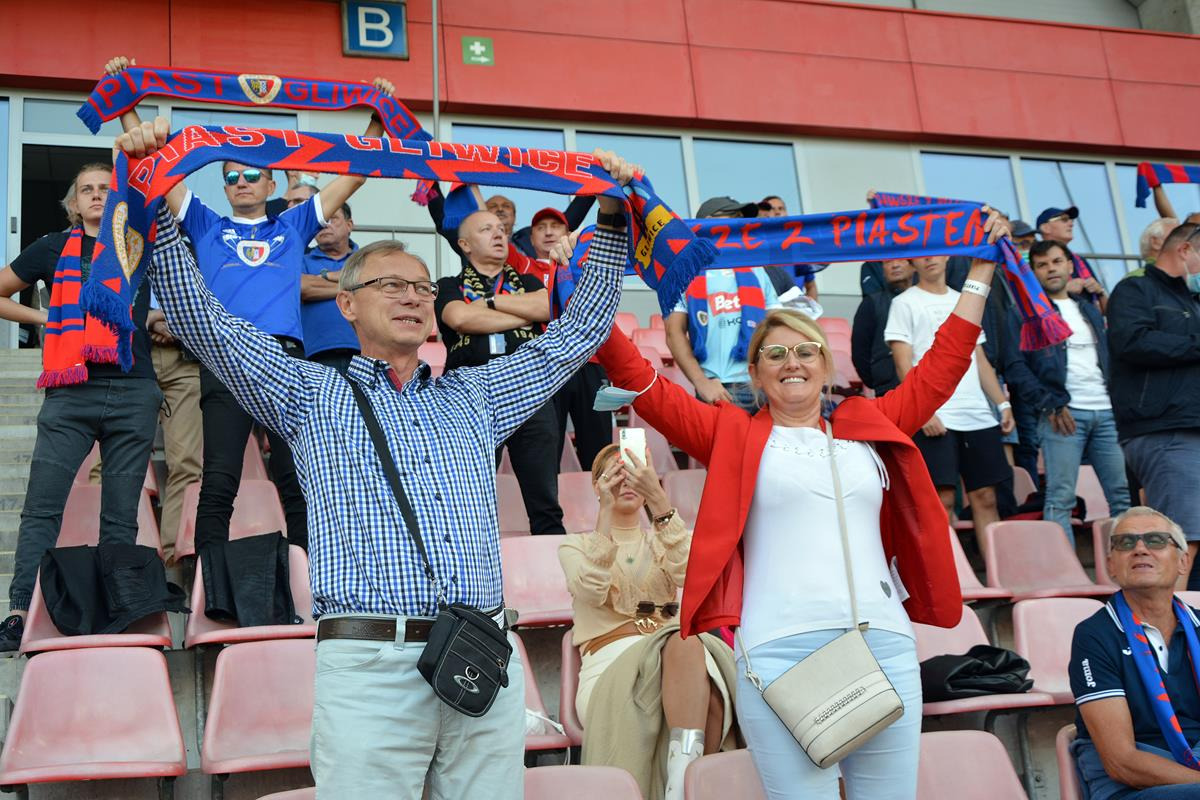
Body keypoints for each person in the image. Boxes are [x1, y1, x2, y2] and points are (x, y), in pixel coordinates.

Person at [122, 117, 635, 797]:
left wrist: (612, 216)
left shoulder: (474, 397)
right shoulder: (308, 393)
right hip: (370, 670)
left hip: (480, 659)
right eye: (390, 284)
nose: (411, 296)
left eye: (421, 287)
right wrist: (156, 192)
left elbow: (579, 333)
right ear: (346, 305)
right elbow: (202, 321)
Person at [594, 207, 1009, 799]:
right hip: (777, 648)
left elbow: (944, 364)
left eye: (806, 350)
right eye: (775, 354)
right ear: (755, 373)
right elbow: (640, 380)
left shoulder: (871, 424)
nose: (792, 362)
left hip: (882, 641)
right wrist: (580, 288)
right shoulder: (731, 434)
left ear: (825, 364)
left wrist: (982, 270)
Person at [106, 57, 391, 555]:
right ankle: (212, 582)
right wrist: (126, 99)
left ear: (270, 185)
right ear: (224, 187)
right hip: (226, 360)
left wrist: (378, 119)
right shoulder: (207, 225)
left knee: (296, 479)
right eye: (232, 176)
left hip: (286, 360)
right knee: (220, 479)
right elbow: (154, 165)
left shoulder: (294, 224)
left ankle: (310, 581)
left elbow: (354, 174)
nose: (242, 181)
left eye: (252, 174)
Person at [0, 163, 162, 649]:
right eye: (86, 190)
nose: (96, 195)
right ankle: (20, 611)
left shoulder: (141, 245)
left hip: (134, 390)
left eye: (105, 189)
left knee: (121, 515)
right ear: (73, 204)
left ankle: (119, 609)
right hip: (71, 391)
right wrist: (46, 318)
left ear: (118, 200)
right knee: (42, 508)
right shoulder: (51, 248)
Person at [559, 443, 736, 800]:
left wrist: (659, 501)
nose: (627, 480)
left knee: (700, 670)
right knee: (689, 651)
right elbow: (591, 590)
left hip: (676, 659)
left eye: (636, 471)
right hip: (610, 666)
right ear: (597, 486)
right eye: (616, 473)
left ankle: (681, 783)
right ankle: (686, 787)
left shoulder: (666, 540)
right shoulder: (574, 545)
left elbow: (694, 575)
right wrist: (605, 513)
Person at [435, 209, 565, 534]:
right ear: (465, 244)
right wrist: (520, 311)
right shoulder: (448, 285)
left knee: (546, 505)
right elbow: (460, 318)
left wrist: (488, 303)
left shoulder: (530, 281)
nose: (499, 234)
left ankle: (552, 566)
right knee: (468, 503)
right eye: (486, 229)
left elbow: (544, 307)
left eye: (501, 229)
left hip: (529, 395)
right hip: (469, 398)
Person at [1069, 506, 1200, 799]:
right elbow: (1122, 763)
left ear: (1183, 561)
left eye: (1156, 540)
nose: (1140, 549)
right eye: (1125, 543)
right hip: (1134, 787)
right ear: (1111, 566)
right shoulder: (1094, 635)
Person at [1004, 240, 1130, 544]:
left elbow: (1111, 356)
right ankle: (1062, 569)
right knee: (1060, 498)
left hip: (1106, 413)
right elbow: (1015, 367)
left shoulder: (1087, 309)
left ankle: (1126, 565)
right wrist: (1050, 404)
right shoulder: (1023, 314)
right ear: (1033, 272)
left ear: (1070, 266)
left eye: (1057, 261)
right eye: (1042, 265)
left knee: (1121, 497)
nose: (1051, 269)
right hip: (1062, 416)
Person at [885, 255, 1015, 533]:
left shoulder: (964, 300)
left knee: (986, 497)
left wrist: (1002, 404)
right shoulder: (904, 302)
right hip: (936, 415)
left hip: (977, 414)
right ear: (912, 263)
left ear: (946, 255)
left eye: (934, 252)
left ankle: (992, 564)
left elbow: (979, 359)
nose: (929, 259)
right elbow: (902, 363)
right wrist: (922, 412)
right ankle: (945, 563)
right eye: (920, 256)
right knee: (940, 502)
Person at [1107, 222, 1200, 590]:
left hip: (1189, 426)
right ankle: (1170, 625)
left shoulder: (1192, 301)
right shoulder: (1135, 290)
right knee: (1184, 540)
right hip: (1166, 430)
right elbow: (1133, 342)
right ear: (1185, 250)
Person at [665, 197, 782, 410]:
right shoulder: (684, 272)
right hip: (717, 388)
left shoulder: (755, 267)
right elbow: (674, 333)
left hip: (762, 383)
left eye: (742, 220)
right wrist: (701, 382)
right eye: (734, 217)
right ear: (709, 222)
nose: (740, 225)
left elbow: (778, 325)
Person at [301, 202, 360, 375]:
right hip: (315, 356)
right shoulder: (302, 259)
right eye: (321, 220)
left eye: (333, 219)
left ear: (349, 225)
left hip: (365, 353)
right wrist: (354, 287)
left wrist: (324, 277)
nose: (325, 225)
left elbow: (374, 285)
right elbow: (303, 288)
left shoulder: (367, 259)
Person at [851, 258, 914, 397]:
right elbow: (860, 352)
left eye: (901, 260)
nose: (895, 265)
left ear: (913, 265)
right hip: (888, 389)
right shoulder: (871, 303)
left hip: (927, 384)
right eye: (888, 262)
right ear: (882, 270)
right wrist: (880, 378)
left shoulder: (926, 299)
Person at [1038, 205, 1108, 311]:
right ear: (1045, 228)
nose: (1071, 224)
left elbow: (1107, 311)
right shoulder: (1035, 262)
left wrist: (1100, 291)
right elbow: (1032, 301)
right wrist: (1063, 290)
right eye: (1064, 219)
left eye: (1071, 220)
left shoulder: (1080, 261)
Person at [484, 192, 596, 259]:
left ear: (514, 215)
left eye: (506, 206)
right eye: (493, 206)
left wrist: (596, 181)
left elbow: (568, 220)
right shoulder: (476, 240)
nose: (500, 209)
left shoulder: (528, 234)